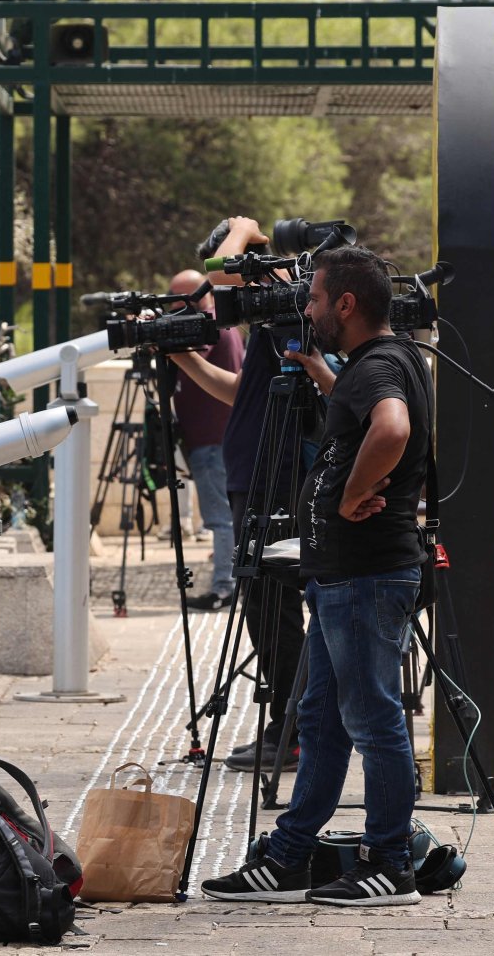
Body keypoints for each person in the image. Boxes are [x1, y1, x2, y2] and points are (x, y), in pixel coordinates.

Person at [202, 244, 431, 907]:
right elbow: (365, 412)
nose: (306, 309)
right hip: (347, 577)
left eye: (314, 299)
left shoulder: (376, 368)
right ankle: (290, 857)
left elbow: (389, 427)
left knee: (374, 722)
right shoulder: (383, 362)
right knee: (324, 723)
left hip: (363, 576)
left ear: (346, 305)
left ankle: (392, 864)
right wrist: (323, 375)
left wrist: (356, 491)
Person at [168, 218, 316, 776]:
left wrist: (247, 230)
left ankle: (293, 729)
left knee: (273, 607)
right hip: (251, 471)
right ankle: (290, 724)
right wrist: (179, 354)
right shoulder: (273, 321)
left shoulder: (289, 302)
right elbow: (239, 390)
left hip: (272, 475)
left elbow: (222, 272)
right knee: (263, 606)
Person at [167, 269, 245, 610]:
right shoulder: (219, 322)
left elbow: (190, 358)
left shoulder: (207, 325)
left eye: (178, 299)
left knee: (220, 517)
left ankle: (224, 587)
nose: (173, 309)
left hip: (213, 440)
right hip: (213, 438)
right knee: (222, 516)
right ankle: (226, 582)